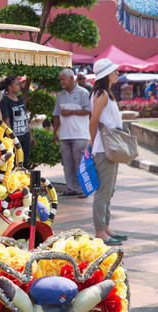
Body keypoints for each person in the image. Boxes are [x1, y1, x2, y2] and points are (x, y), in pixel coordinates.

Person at [89, 58, 125, 246]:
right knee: (103, 192)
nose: (117, 73)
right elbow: (93, 121)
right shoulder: (102, 94)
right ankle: (100, 231)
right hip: (103, 148)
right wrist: (94, 144)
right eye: (114, 71)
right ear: (105, 75)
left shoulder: (105, 92)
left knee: (108, 190)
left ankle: (106, 227)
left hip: (109, 147)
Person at [52, 68, 91, 198]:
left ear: (71, 79)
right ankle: (71, 188)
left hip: (79, 134)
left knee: (80, 163)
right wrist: (55, 132)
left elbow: (89, 111)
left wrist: (71, 112)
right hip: (65, 135)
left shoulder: (83, 93)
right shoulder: (60, 96)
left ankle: (83, 189)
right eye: (60, 80)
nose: (61, 82)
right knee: (67, 164)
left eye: (63, 79)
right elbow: (56, 115)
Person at [0, 76, 35, 169]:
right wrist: (13, 139)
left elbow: (25, 118)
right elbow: (6, 121)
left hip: (25, 137)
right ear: (9, 87)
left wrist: (30, 135)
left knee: (25, 162)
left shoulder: (19, 99)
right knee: (15, 164)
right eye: (16, 85)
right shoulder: (5, 101)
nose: (19, 86)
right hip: (15, 138)